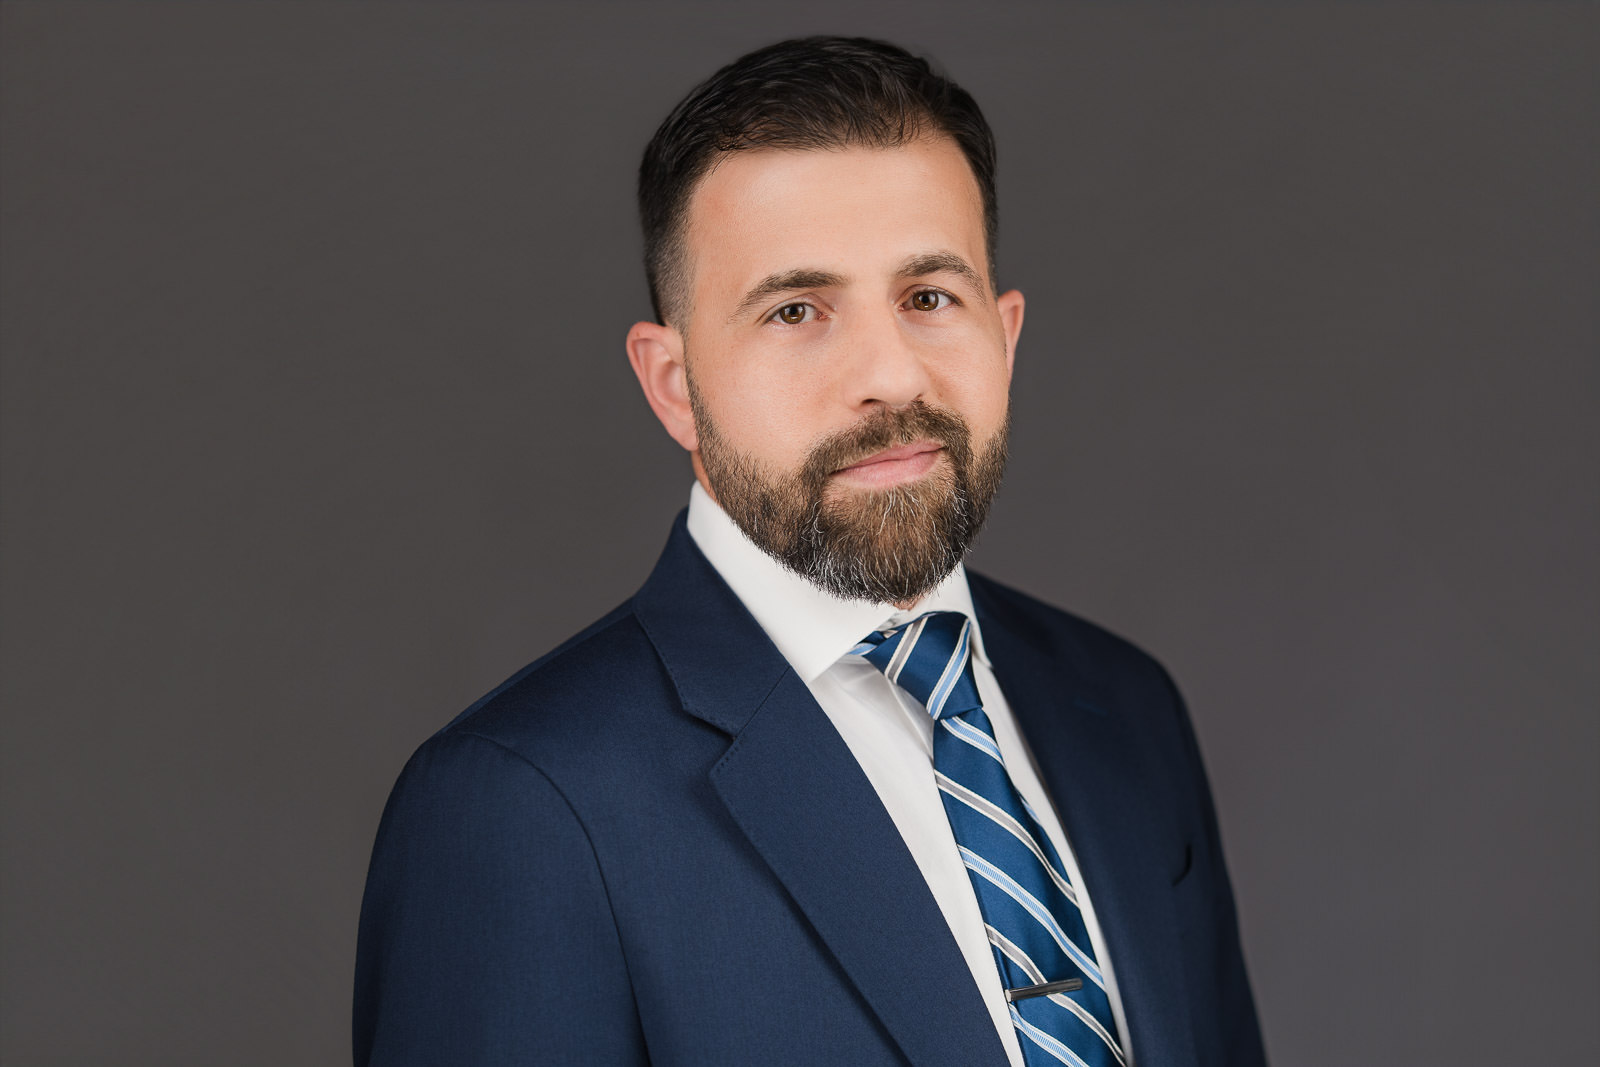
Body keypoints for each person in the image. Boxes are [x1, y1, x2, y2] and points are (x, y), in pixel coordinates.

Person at [353, 36, 1265, 1067]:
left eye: (929, 296)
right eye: (797, 310)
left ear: (1004, 335)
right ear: (672, 383)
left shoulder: (1125, 708)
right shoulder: (518, 806)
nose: (889, 374)